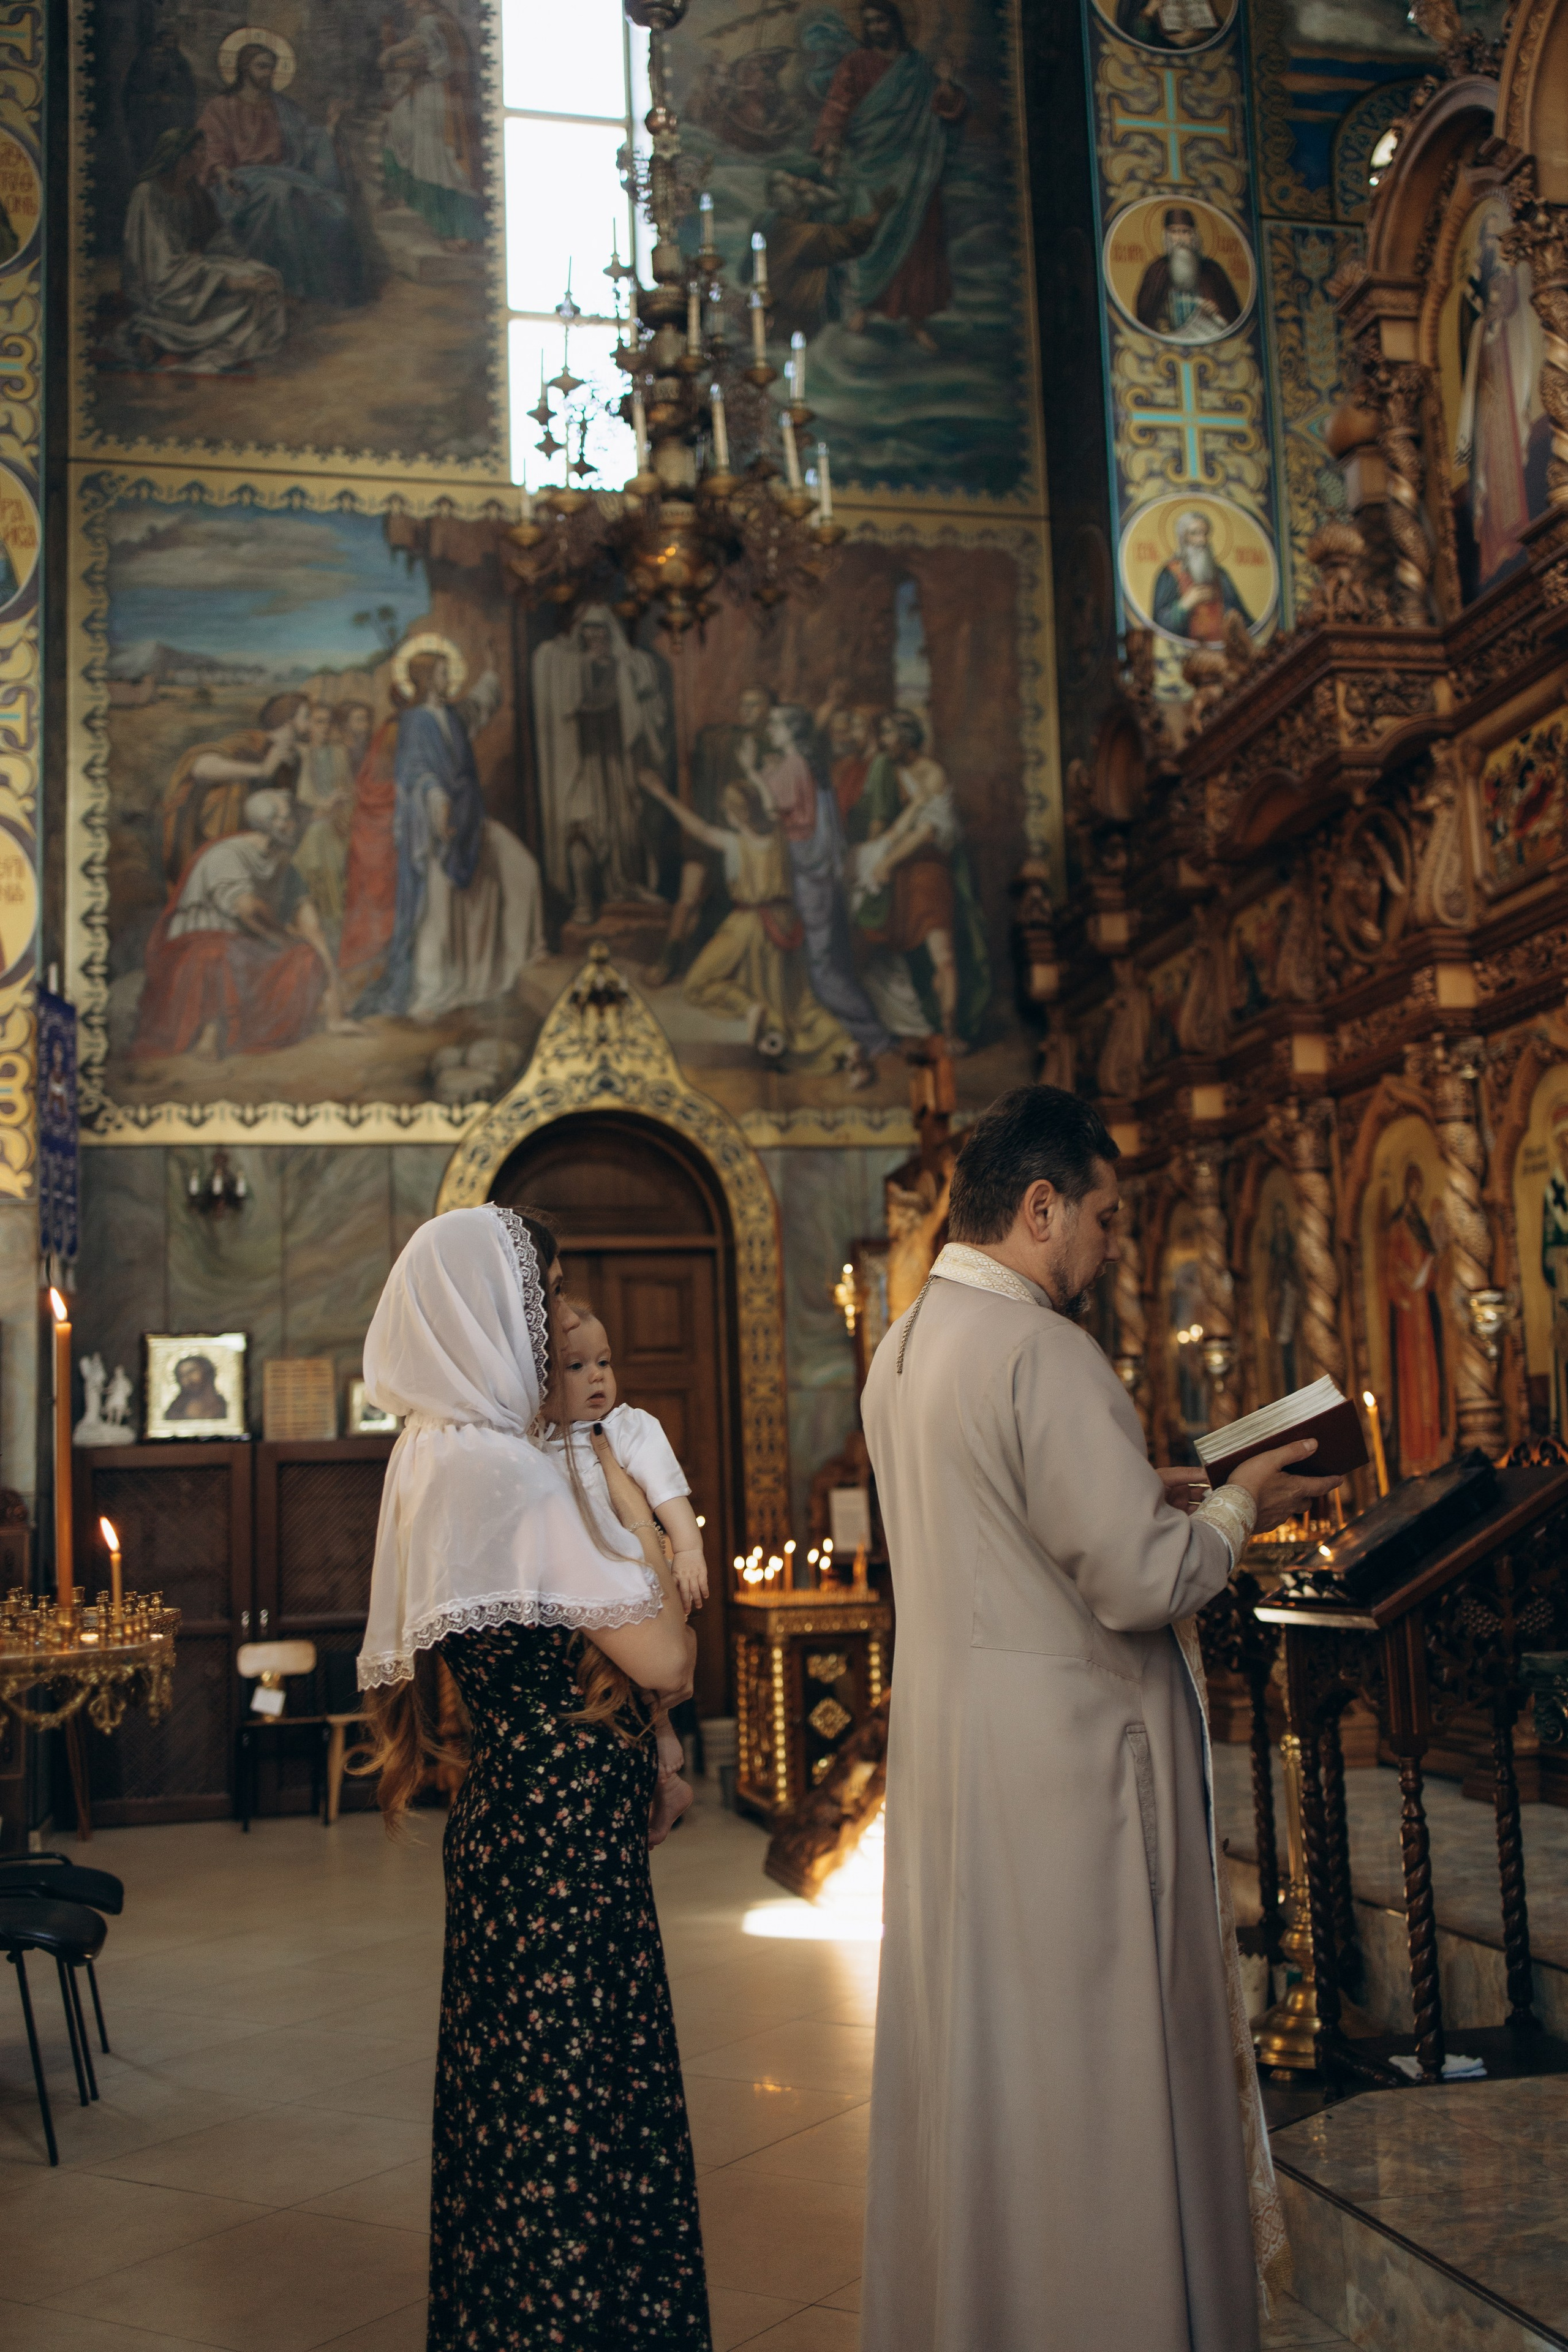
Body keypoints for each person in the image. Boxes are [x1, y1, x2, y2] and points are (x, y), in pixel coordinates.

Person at [860, 1085, 1343, 2351]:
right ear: (1038, 1208)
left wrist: (1149, 1483)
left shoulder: (905, 1346)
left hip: (964, 1753)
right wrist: (1232, 1508)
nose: (1111, 1244)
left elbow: (1000, 1512)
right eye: (1105, 1218)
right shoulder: (1042, 1350)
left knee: (992, 2066)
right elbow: (1139, 1580)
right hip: (1072, 1772)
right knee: (1089, 2073)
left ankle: (992, 2310)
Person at [355, 1204, 709, 2350]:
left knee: (516, 2110)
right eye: (535, 1294)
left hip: (517, 1812)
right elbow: (664, 1652)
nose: (551, 1318)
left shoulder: (429, 1453)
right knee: (579, 2113)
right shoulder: (506, 1473)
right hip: (562, 1838)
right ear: (480, 1316)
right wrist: (637, 1518)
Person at [356, 642, 545, 1019]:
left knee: (522, 869)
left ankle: (517, 959)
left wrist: (491, 672)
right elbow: (415, 774)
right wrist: (439, 805)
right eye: (443, 672)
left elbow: (479, 706)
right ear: (426, 679)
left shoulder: (453, 715)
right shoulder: (413, 723)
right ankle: (432, 991)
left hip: (469, 818)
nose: (450, 678)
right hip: (433, 827)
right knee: (436, 914)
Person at [638, 769, 856, 1076]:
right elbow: (771, 808)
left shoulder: (733, 844)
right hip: (785, 926)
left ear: (733, 814)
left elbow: (698, 828)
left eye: (727, 809)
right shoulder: (778, 836)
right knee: (799, 1004)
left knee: (698, 985)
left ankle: (751, 1008)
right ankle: (848, 1047)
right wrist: (754, 775)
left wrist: (662, 795)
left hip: (746, 925)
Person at [134, 787, 358, 1060]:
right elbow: (249, 909)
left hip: (251, 949)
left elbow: (314, 931)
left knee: (306, 956)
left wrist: (336, 1015)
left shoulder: (285, 867)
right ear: (266, 824)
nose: (293, 825)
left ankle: (259, 1031)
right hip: (195, 951)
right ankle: (211, 1032)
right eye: (285, 819)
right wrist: (284, 937)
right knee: (219, 952)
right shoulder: (227, 855)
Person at [750, 702, 892, 1087]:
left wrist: (752, 771)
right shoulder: (803, 766)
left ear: (792, 732)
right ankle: (857, 1038)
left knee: (823, 969)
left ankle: (873, 1036)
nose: (771, 732)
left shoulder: (794, 765)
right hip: (814, 873)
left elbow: (771, 806)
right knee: (821, 964)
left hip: (807, 872)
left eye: (777, 725)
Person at [812, 2, 967, 352]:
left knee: (918, 240)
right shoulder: (856, 63)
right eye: (869, 22)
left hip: (914, 169)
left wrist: (946, 83)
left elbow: (948, 109)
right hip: (869, 165)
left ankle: (916, 319)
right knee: (871, 232)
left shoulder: (918, 69)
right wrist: (831, 144)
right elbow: (838, 105)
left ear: (895, 23)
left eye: (881, 20)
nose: (876, 27)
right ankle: (866, 306)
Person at [543, 1309, 709, 1613]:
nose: (598, 1375)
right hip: (570, 1582)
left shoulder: (626, 1428)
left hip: (630, 1569)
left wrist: (687, 1549)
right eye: (576, 1366)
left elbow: (668, 1494)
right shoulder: (537, 1442)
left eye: (604, 1362)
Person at [848, 708, 989, 1054]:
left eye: (890, 734)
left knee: (944, 956)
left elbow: (929, 832)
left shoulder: (932, 773)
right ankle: (873, 1027)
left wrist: (887, 862)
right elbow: (895, 830)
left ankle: (950, 1030)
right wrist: (879, 858)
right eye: (881, 735)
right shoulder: (887, 772)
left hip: (928, 870)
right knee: (866, 939)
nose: (883, 742)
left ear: (908, 737)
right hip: (899, 874)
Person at [196, 37, 368, 308]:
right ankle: (291, 287)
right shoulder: (220, 106)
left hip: (286, 175)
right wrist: (222, 171)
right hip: (242, 180)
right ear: (244, 69)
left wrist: (330, 129)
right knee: (283, 195)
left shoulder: (283, 107)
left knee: (335, 207)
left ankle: (333, 291)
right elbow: (210, 147)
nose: (269, 73)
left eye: (272, 68)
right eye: (262, 67)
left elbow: (307, 140)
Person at [531, 605, 669, 924]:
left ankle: (628, 885)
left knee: (626, 822)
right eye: (588, 629)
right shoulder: (563, 663)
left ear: (611, 632)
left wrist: (622, 668)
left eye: (601, 628)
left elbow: (646, 700)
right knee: (582, 825)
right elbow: (562, 698)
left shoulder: (627, 662)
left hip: (616, 757)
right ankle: (583, 898)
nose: (595, 635)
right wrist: (587, 666)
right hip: (581, 759)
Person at [116, 127, 286, 374]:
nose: (204, 156)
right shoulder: (147, 195)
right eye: (199, 150)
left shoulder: (195, 192)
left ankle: (176, 338)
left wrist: (248, 267)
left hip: (195, 271)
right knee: (245, 294)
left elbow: (218, 240)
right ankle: (159, 334)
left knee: (264, 279)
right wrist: (234, 282)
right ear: (180, 156)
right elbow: (159, 263)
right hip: (164, 282)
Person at [1453, 196, 1547, 592]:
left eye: (1497, 240)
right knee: (1493, 483)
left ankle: (1515, 540)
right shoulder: (1480, 331)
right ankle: (1498, 553)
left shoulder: (1523, 300)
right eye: (1487, 243)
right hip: (1493, 414)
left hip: (1515, 405)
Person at [160, 690, 314, 888]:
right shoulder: (250, 742)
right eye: (307, 717)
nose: (312, 725)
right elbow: (200, 766)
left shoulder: (293, 759)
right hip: (223, 841)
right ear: (288, 720)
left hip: (261, 848)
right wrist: (262, 770)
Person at [377, 0, 484, 248]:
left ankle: (460, 232)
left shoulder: (432, 21)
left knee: (441, 162)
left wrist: (392, 54)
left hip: (437, 96)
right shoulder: (441, 20)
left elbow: (429, 57)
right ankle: (409, 196)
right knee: (400, 130)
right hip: (430, 92)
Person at [1383, 1161, 1447, 1477]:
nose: (1417, 1193)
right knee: (1412, 1385)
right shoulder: (1398, 1226)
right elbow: (1393, 1270)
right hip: (1409, 1317)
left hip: (1425, 1311)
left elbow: (1432, 1267)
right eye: (1414, 1187)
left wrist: (1430, 1273)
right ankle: (1415, 1456)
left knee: (1430, 1380)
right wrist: (1410, 1286)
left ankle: (1434, 1448)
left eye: (1421, 1187)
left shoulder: (1420, 1224)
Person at [293, 699, 367, 935]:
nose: (324, 727)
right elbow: (301, 799)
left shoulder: (339, 753)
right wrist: (323, 805)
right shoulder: (301, 754)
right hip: (311, 823)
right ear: (309, 725)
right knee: (316, 841)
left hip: (338, 822)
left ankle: (340, 924)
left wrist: (340, 805)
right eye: (318, 722)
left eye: (328, 722)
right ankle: (321, 922)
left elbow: (349, 791)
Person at [1134, 205, 1241, 344]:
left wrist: (1216, 312)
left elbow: (1232, 316)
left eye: (1185, 232)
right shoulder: (1156, 271)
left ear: (1194, 236)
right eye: (1174, 232)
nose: (1180, 238)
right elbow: (1145, 315)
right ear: (1167, 236)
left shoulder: (1212, 271)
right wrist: (1162, 327)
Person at [1151, 507, 1251, 641]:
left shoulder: (1220, 575)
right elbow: (1159, 624)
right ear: (1182, 538)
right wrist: (1184, 605)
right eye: (1195, 533)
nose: (1202, 540)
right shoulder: (1170, 574)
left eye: (1205, 534)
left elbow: (1243, 618)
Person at [165, 1352, 227, 1420]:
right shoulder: (176, 1410)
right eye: (183, 1376)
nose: (188, 1379)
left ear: (206, 1372)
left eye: (192, 1371)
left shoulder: (223, 1406)